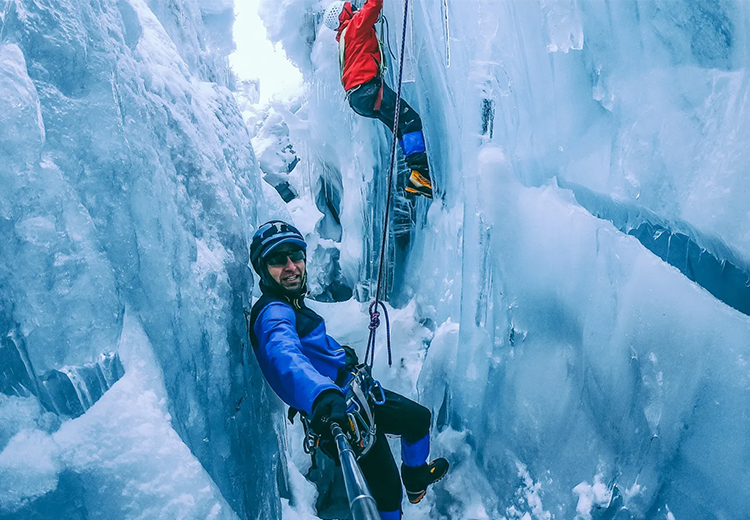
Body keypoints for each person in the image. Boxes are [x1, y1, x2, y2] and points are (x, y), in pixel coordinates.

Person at [247, 220, 448, 519]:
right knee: (387, 494)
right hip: (342, 415)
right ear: (263, 268)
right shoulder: (273, 312)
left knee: (418, 419)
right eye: (278, 259)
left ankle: (416, 480)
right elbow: (284, 355)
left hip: (357, 395)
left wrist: (341, 356)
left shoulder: (291, 305)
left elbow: (309, 350)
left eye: (295, 256)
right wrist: (321, 395)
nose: (290, 266)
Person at [323, 0, 434, 199]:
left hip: (359, 99)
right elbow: (373, 6)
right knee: (410, 121)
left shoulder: (344, 39)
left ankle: (418, 176)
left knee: (400, 127)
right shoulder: (354, 26)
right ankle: (420, 173)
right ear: (345, 14)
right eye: (351, 8)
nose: (355, 9)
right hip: (368, 89)